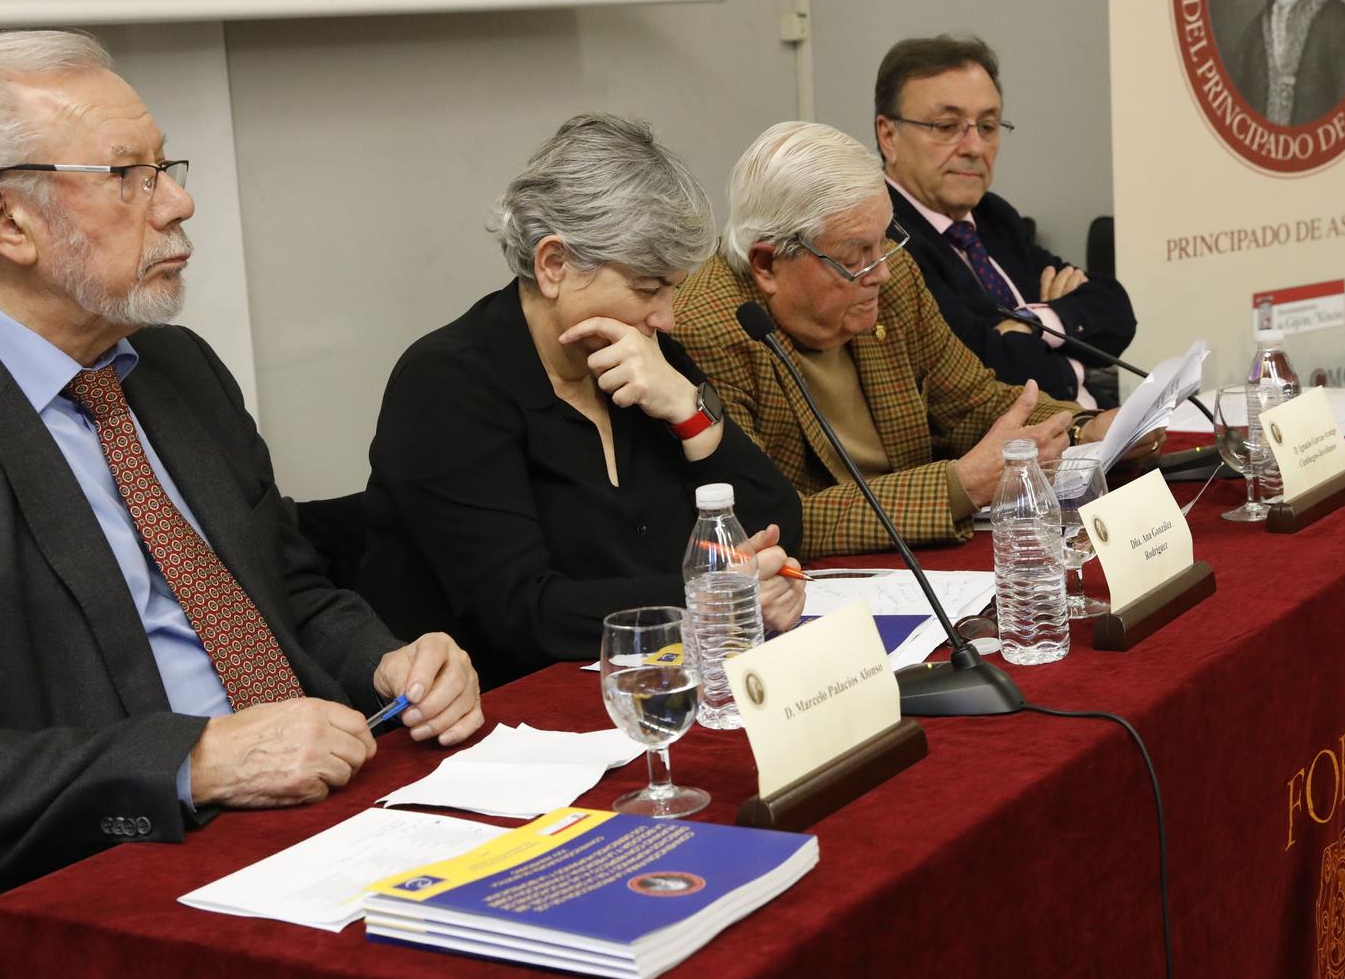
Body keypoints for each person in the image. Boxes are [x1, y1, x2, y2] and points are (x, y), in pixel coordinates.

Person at [0, 30, 484, 979]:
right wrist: (192, 759)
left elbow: (289, 586)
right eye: (130, 177)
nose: (178, 203)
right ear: (4, 218)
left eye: (165, 167)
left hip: (298, 842)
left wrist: (387, 656)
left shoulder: (174, 372)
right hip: (62, 933)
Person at [358, 114, 805, 690]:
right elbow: (521, 612)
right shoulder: (447, 384)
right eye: (647, 289)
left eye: (675, 289)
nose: (666, 317)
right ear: (554, 265)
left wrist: (692, 412)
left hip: (645, 681)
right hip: (505, 715)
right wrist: (716, 597)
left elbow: (777, 523)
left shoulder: (643, 355)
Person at [673, 122, 1135, 558]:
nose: (884, 271)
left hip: (922, 557)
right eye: (857, 254)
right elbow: (773, 518)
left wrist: (1083, 428)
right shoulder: (705, 328)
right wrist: (961, 485)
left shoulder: (891, 282)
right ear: (766, 264)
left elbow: (971, 403)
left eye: (884, 242)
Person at [874, 35, 1136, 407]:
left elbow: (1115, 311)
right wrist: (1059, 337)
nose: (974, 147)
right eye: (947, 126)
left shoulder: (991, 216)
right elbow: (984, 369)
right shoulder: (884, 238)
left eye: (988, 126)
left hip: (1085, 438)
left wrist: (1028, 322)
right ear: (889, 136)